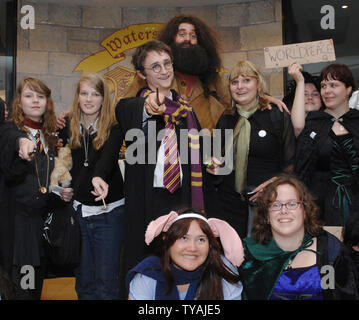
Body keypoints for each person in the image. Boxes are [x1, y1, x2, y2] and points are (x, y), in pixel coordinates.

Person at [115, 40, 220, 294]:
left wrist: (209, 159)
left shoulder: (186, 109)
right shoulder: (134, 106)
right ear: (142, 74)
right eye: (155, 66)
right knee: (148, 262)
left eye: (167, 63)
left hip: (181, 196)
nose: (164, 70)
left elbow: (192, 148)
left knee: (182, 259)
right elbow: (126, 111)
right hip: (148, 199)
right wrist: (149, 105)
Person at [120, 14, 288, 133]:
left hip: (206, 151)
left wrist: (263, 97)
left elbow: (238, 95)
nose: (188, 39)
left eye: (193, 35)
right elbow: (126, 108)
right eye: (182, 34)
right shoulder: (151, 77)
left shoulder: (212, 77)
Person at [0, 77, 73, 299]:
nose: (34, 101)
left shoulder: (49, 137)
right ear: (19, 101)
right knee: (24, 289)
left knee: (35, 287)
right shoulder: (8, 130)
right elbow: (12, 145)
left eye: (40, 97)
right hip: (19, 230)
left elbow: (44, 183)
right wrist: (22, 145)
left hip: (41, 228)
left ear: (47, 102)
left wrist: (60, 193)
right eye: (28, 96)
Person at [208, 60, 296, 238]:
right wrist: (211, 164)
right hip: (229, 204)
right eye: (234, 82)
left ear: (258, 84)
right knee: (232, 259)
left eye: (247, 80)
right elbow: (214, 159)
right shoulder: (225, 119)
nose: (240, 86)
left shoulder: (276, 115)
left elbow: (292, 165)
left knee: (263, 259)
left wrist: (273, 185)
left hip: (267, 203)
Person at [57, 73, 125, 299]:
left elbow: (107, 159)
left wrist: (99, 177)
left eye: (95, 94)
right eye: (84, 93)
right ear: (77, 97)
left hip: (109, 211)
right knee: (84, 279)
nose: (88, 99)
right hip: (78, 213)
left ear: (104, 99)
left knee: (105, 281)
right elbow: (58, 160)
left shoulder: (114, 127)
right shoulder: (67, 125)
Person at [238, 174, 352, 300]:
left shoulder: (330, 251)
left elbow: (341, 295)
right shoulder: (250, 255)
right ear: (266, 216)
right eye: (276, 205)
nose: (284, 210)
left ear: (305, 211)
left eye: (292, 204)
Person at [126, 209, 244, 300]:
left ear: (210, 245)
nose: (192, 248)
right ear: (167, 241)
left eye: (201, 240)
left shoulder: (223, 272)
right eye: (183, 238)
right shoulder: (148, 273)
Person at [294, 63, 359, 227]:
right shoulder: (315, 122)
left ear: (349, 89)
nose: (327, 91)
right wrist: (299, 81)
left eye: (334, 85)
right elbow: (296, 126)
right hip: (322, 206)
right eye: (323, 86)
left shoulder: (356, 121)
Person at [285, 62, 324, 136]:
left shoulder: (330, 124)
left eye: (315, 94)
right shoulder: (284, 125)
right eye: (304, 94)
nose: (310, 97)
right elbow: (298, 127)